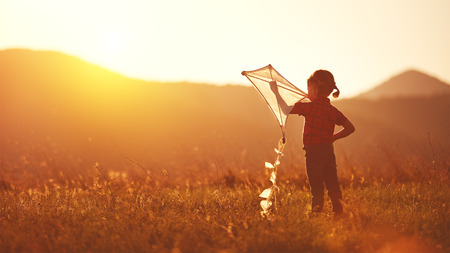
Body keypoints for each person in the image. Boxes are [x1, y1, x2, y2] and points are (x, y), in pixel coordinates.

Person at [270, 70, 355, 215]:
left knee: (316, 184)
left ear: (315, 89)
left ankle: (316, 212)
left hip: (313, 153)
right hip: (329, 151)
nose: (306, 92)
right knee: (332, 182)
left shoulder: (309, 107)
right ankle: (339, 211)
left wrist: (275, 91)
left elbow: (285, 109)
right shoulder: (333, 111)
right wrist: (333, 137)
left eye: (308, 89)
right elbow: (350, 128)